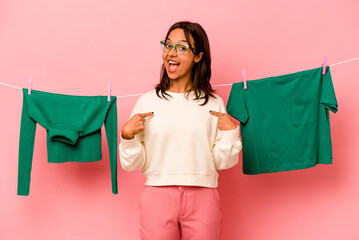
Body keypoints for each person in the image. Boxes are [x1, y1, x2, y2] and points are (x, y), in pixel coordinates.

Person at [119, 21, 242, 240]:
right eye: (168, 46)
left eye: (182, 48)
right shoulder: (147, 102)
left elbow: (223, 162)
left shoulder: (214, 104)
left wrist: (231, 133)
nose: (171, 53)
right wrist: (127, 137)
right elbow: (132, 164)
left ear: (198, 56)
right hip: (157, 196)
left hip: (203, 196)